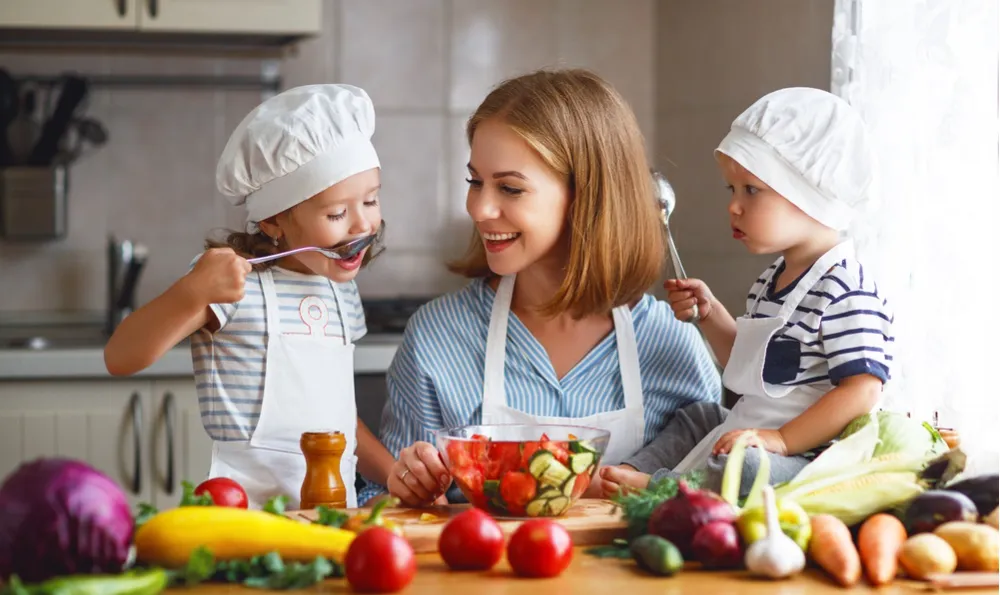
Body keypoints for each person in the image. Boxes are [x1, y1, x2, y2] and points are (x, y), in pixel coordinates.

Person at [357, 69, 723, 507]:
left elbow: (709, 504)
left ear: (587, 196)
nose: (479, 208)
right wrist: (408, 487)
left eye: (510, 188)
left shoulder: (672, 344)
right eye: (475, 182)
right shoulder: (437, 339)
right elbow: (382, 505)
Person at [104, 84, 395, 509]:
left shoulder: (340, 293)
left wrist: (393, 474)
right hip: (244, 519)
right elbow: (120, 356)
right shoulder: (230, 288)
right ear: (275, 220)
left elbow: (337, 418)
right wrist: (192, 293)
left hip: (334, 515)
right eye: (336, 213)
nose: (362, 225)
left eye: (371, 200)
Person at [600, 87, 894, 497]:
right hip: (757, 427)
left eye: (751, 190)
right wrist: (710, 314)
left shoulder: (846, 288)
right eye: (731, 191)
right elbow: (753, 371)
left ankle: (660, 489)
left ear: (808, 195)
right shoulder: (773, 279)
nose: (733, 207)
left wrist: (783, 440)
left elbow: (863, 390)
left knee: (750, 466)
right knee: (700, 416)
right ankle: (626, 473)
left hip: (807, 455)